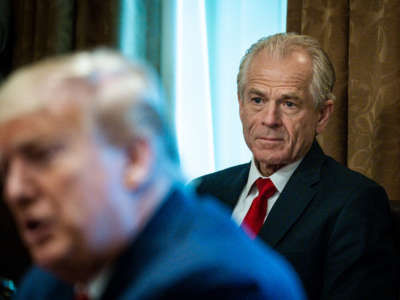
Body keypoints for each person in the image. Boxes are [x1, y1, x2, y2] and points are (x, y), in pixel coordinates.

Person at [0, 50, 306, 300]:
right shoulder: (53, 277)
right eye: (5, 169)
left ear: (135, 159)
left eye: (42, 157)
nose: (15, 190)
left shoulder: (221, 283)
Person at [192, 32, 399, 300]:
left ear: (322, 115)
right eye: (257, 100)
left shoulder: (354, 203)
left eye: (289, 103)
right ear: (241, 105)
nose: (270, 119)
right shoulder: (203, 191)